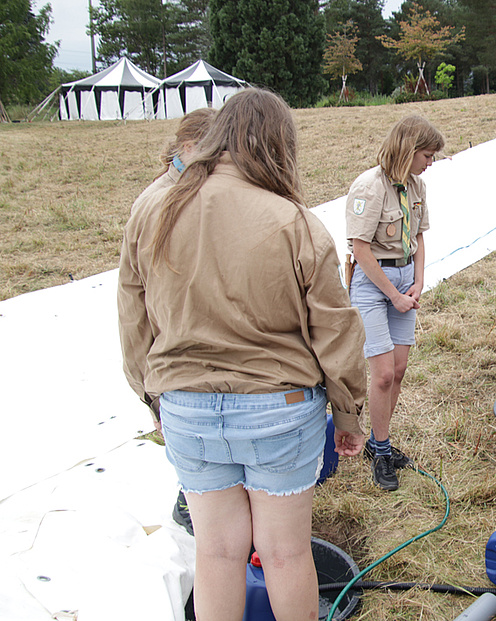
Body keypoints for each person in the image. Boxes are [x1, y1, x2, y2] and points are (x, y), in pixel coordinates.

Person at [118, 88, 368, 621]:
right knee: (284, 553)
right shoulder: (295, 220)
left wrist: (153, 399)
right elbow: (336, 328)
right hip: (279, 410)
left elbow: (132, 317)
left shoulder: (153, 210)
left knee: (215, 552)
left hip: (185, 406)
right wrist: (348, 412)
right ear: (278, 145)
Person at [128, 107, 219, 536]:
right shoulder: (161, 205)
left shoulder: (190, 195)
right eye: (216, 153)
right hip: (180, 367)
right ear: (187, 148)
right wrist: (147, 388)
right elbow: (134, 306)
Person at [345, 114, 444, 491]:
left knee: (399, 370)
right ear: (408, 149)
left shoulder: (416, 186)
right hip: (374, 285)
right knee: (382, 373)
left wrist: (418, 282)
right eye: (428, 155)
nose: (430, 163)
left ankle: (377, 441)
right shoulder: (368, 187)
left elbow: (418, 237)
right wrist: (394, 295)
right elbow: (360, 249)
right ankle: (382, 451)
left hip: (404, 282)